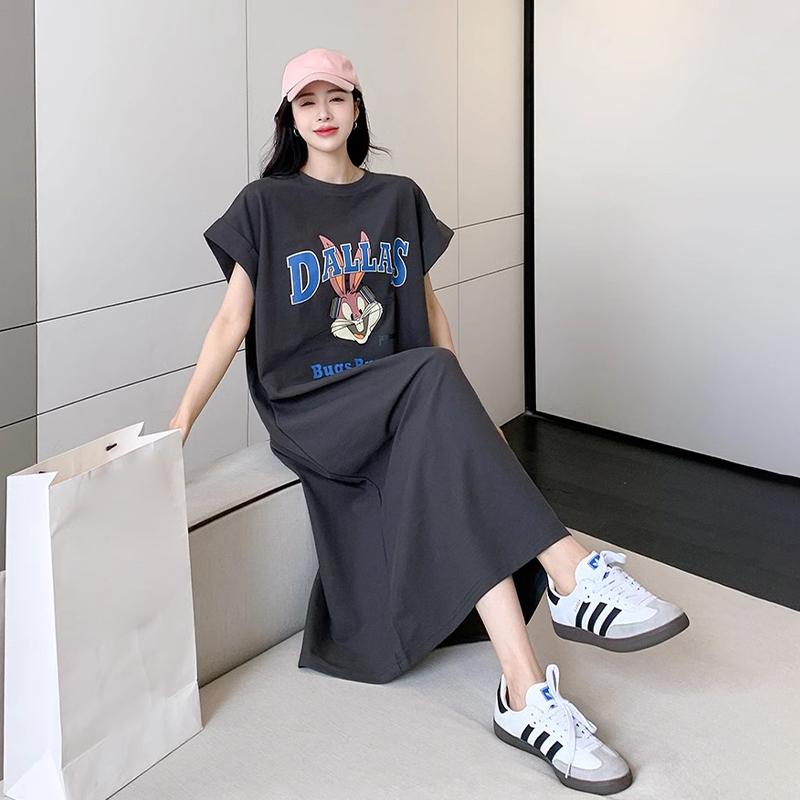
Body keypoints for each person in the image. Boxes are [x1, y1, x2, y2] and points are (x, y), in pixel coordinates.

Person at [169, 47, 689, 795]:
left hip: (397, 398)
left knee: (454, 465)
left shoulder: (398, 197)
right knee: (436, 376)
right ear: (290, 118)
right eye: (306, 101)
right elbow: (231, 322)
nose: (323, 112)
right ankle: (572, 573)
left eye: (336, 97)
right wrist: (180, 425)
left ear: (357, 108)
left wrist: (468, 417)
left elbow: (428, 308)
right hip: (313, 406)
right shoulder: (265, 204)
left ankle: (525, 696)